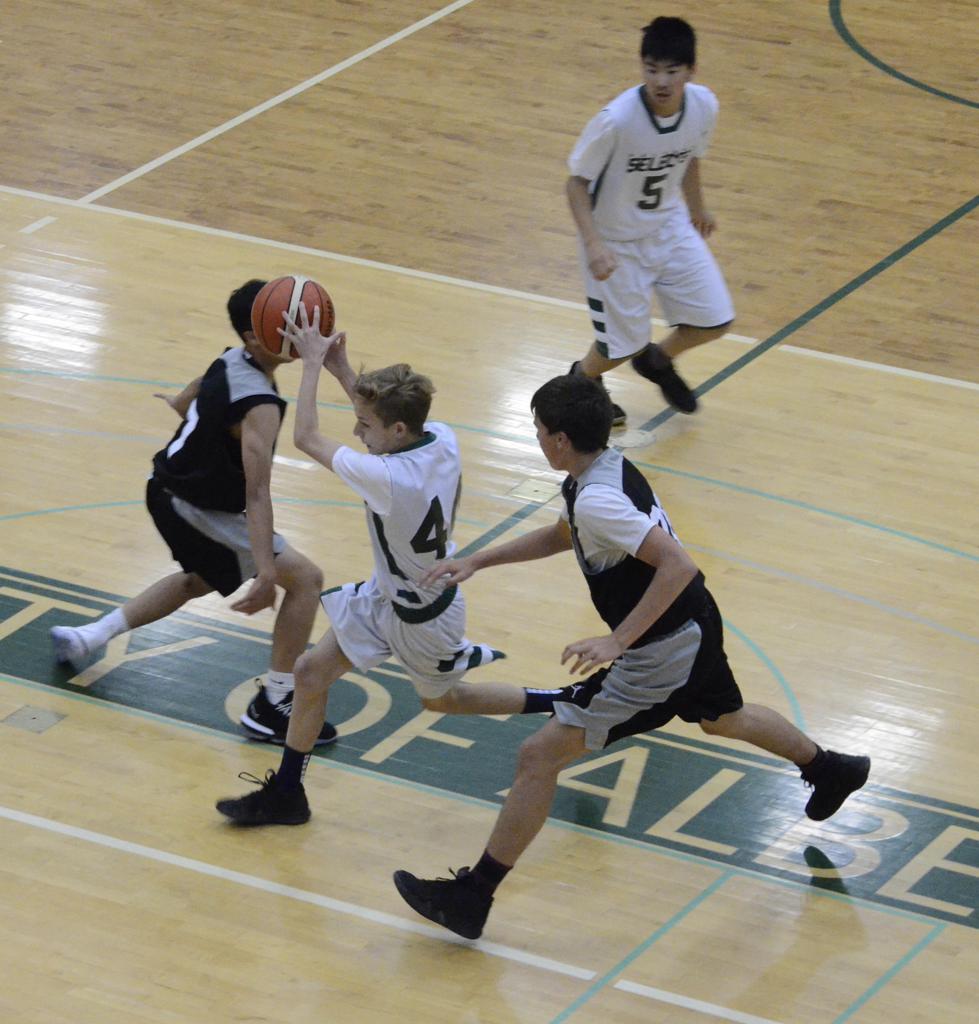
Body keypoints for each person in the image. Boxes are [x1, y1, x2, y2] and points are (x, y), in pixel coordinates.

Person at [393, 374, 871, 940]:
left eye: (539, 430)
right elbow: (565, 534)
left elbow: (678, 565)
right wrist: (479, 561)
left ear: (562, 439)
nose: (537, 437)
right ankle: (830, 769)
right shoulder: (601, 470)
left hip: (663, 650)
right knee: (723, 718)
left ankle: (473, 897)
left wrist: (618, 641)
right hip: (695, 621)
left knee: (538, 756)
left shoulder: (598, 500)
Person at [215, 307, 589, 826]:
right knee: (309, 673)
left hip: (424, 615)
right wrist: (342, 370)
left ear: (395, 429)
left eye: (365, 426)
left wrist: (311, 364)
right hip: (389, 594)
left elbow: (305, 437)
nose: (357, 432)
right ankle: (287, 793)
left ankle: (567, 698)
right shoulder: (440, 437)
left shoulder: (390, 480)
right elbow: (385, 416)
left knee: (445, 702)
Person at [50, 279, 336, 747]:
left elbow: (196, 392)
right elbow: (257, 493)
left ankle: (90, 636)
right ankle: (275, 705)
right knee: (305, 579)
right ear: (254, 335)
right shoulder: (260, 405)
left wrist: (181, 404)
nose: (297, 331)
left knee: (197, 581)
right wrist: (266, 571)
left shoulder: (231, 358)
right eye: (286, 324)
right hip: (197, 507)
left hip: (163, 488)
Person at [566, 15, 735, 426]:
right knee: (619, 346)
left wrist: (697, 208)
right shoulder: (616, 120)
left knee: (714, 321)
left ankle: (656, 360)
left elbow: (690, 156)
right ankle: (580, 383)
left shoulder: (703, 105)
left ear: (691, 71)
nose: (660, 81)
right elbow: (576, 183)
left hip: (669, 227)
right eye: (651, 69)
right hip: (616, 243)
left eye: (671, 71)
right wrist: (594, 245)